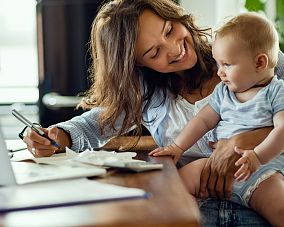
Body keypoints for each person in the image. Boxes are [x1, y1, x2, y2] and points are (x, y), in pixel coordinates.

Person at [23, 0, 284, 225]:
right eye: (154, 52)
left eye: (170, 30)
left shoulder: (242, 51)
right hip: (196, 211)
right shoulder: (147, 93)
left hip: (264, 200)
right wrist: (57, 137)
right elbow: (93, 125)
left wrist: (244, 140)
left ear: (175, 16)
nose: (174, 48)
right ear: (137, 63)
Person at [149, 12, 284, 226]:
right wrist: (177, 147)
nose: (219, 72)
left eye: (227, 65)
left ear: (260, 63)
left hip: (263, 170)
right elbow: (202, 121)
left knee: (280, 208)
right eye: (217, 64)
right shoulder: (224, 91)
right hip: (214, 166)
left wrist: (256, 157)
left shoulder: (276, 91)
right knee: (176, 186)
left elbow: (282, 130)